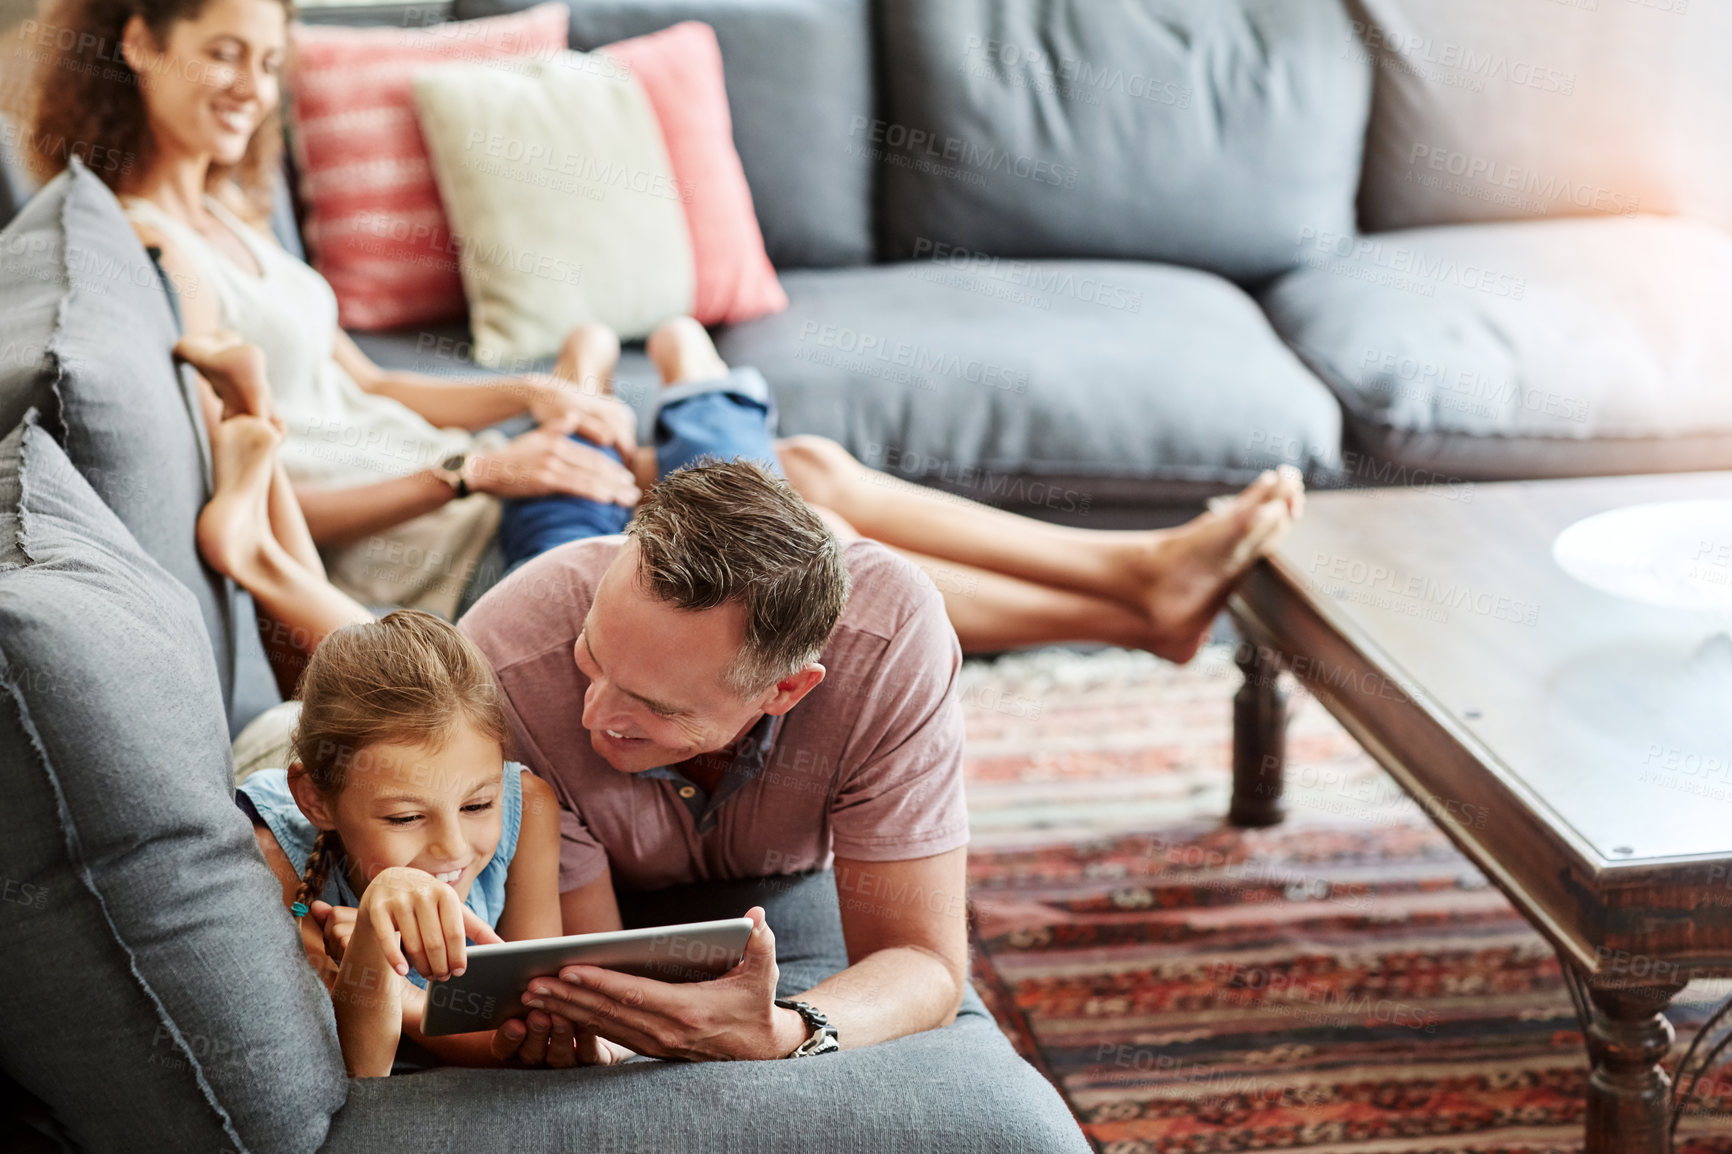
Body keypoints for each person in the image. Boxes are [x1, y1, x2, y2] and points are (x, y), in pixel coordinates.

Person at [23, 0, 1305, 676]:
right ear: (136, 41)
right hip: (425, 559)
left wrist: (529, 400)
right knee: (795, 522)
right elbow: (262, 480)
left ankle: (1138, 580)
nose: (252, 87)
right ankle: (1133, 597)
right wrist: (480, 473)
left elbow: (355, 378)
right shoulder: (143, 250)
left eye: (269, 58)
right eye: (222, 54)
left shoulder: (237, 219)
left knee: (807, 471)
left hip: (473, 488)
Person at [235, 608, 642, 1076]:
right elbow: (356, 1077)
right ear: (316, 802)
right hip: (273, 750)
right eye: (406, 817)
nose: (452, 848)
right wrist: (372, 956)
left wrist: (404, 995)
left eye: (476, 806)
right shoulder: (275, 864)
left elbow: (525, 1018)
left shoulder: (528, 806)